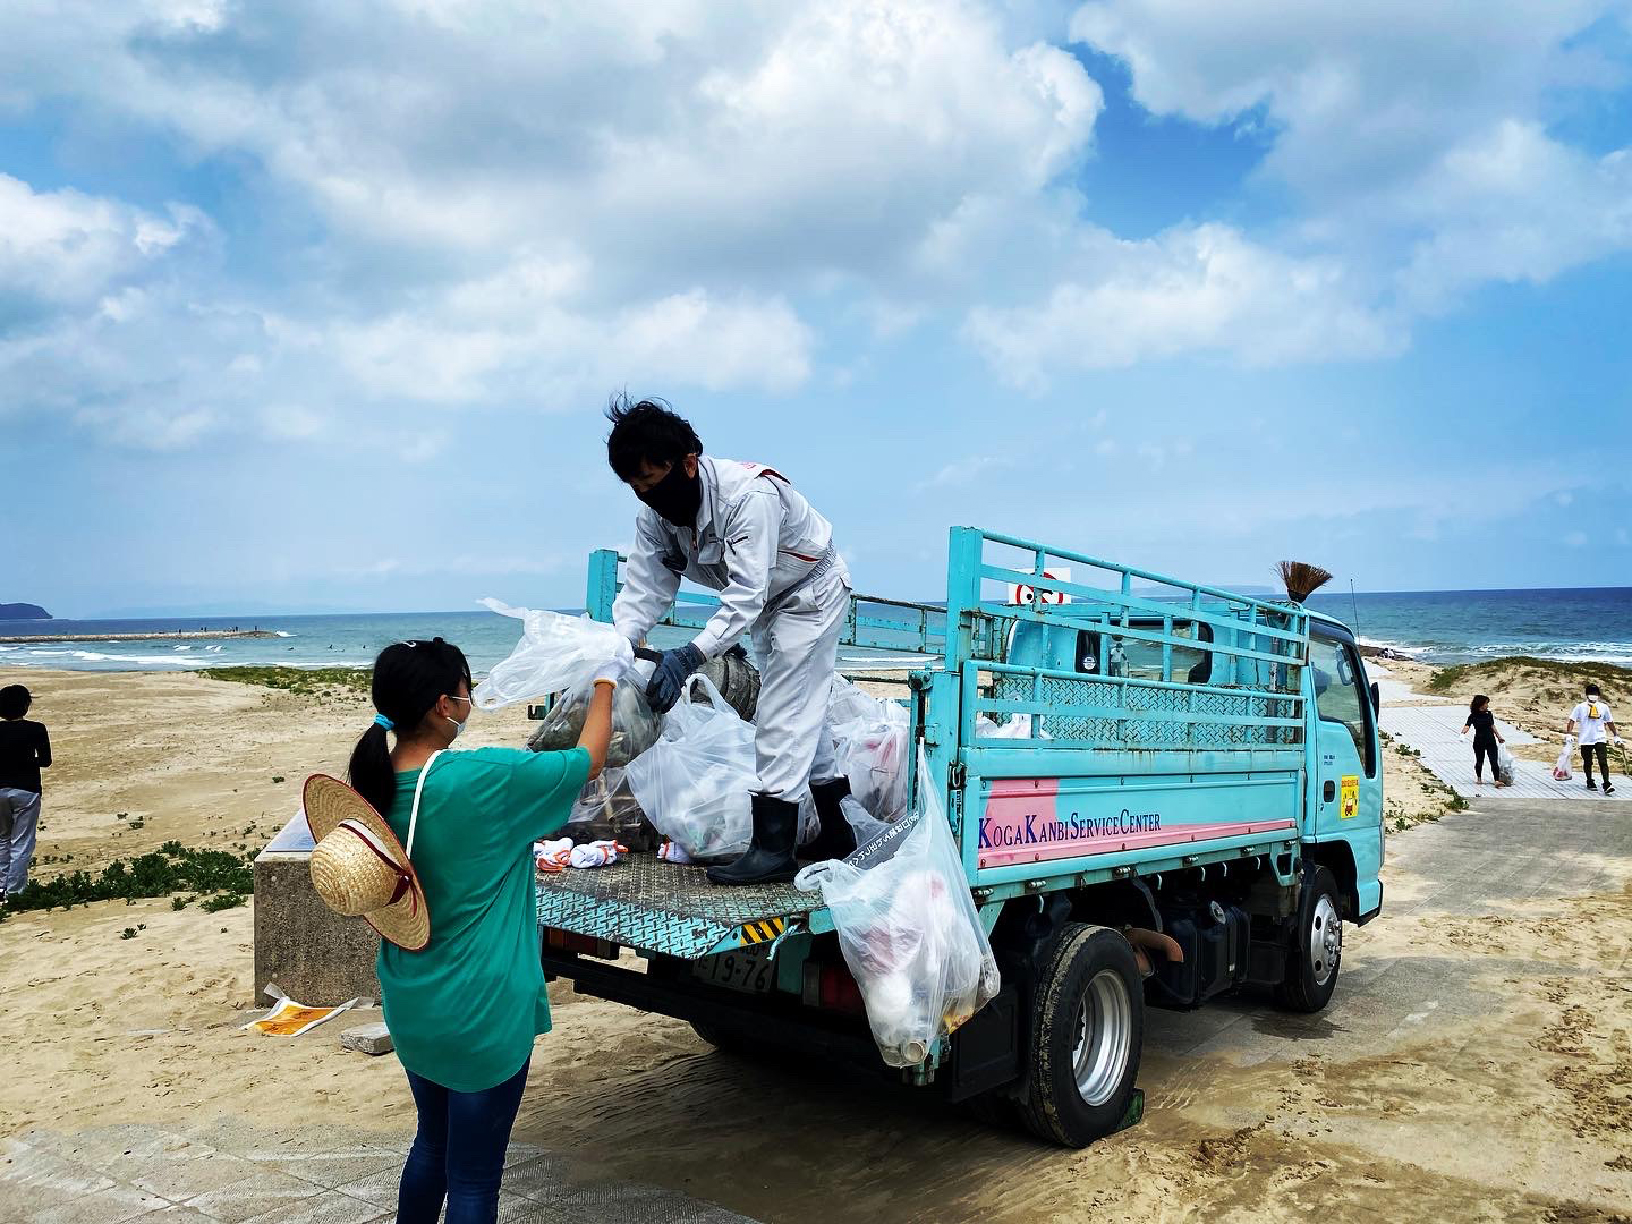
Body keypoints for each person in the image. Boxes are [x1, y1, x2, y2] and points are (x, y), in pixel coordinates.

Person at [320, 637, 623, 1224]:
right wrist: (606, 681)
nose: (470, 700)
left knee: (431, 1145)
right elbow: (589, 759)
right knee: (475, 1181)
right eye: (466, 690)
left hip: (413, 1000)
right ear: (443, 705)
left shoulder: (372, 786)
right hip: (482, 1010)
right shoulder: (483, 777)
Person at [604, 396, 855, 886]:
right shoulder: (656, 518)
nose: (647, 496)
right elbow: (645, 590)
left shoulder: (748, 498)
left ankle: (774, 848)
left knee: (783, 710)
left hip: (810, 592)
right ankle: (836, 827)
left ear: (687, 463)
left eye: (651, 481)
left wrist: (690, 654)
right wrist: (616, 650)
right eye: (635, 488)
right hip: (769, 601)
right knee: (801, 705)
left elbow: (743, 596)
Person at [0, 683, 51, 903]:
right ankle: (15, 892)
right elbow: (46, 761)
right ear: (25, 706)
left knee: (2, 839)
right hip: (27, 789)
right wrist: (26, 761)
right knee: (21, 842)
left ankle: (1, 887)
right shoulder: (36, 729)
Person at [1566, 683, 1620, 795]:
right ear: (1587, 695)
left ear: (1598, 695)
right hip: (1586, 738)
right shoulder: (1580, 707)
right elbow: (1572, 720)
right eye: (1591, 693)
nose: (1593, 695)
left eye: (1595, 693)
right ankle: (1590, 780)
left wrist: (1616, 735)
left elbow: (1609, 721)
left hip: (1600, 737)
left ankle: (1607, 783)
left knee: (1603, 761)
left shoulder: (1604, 707)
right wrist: (1569, 734)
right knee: (1588, 761)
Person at [1460, 694, 1507, 788]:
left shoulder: (1489, 714)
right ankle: (1479, 778)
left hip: (1491, 740)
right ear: (1480, 704)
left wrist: (1498, 736)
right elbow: (1467, 725)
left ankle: (1496, 780)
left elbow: (1492, 726)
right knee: (1480, 760)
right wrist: (1463, 732)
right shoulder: (1473, 715)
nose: (1487, 705)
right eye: (1486, 703)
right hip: (1479, 741)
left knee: (1494, 761)